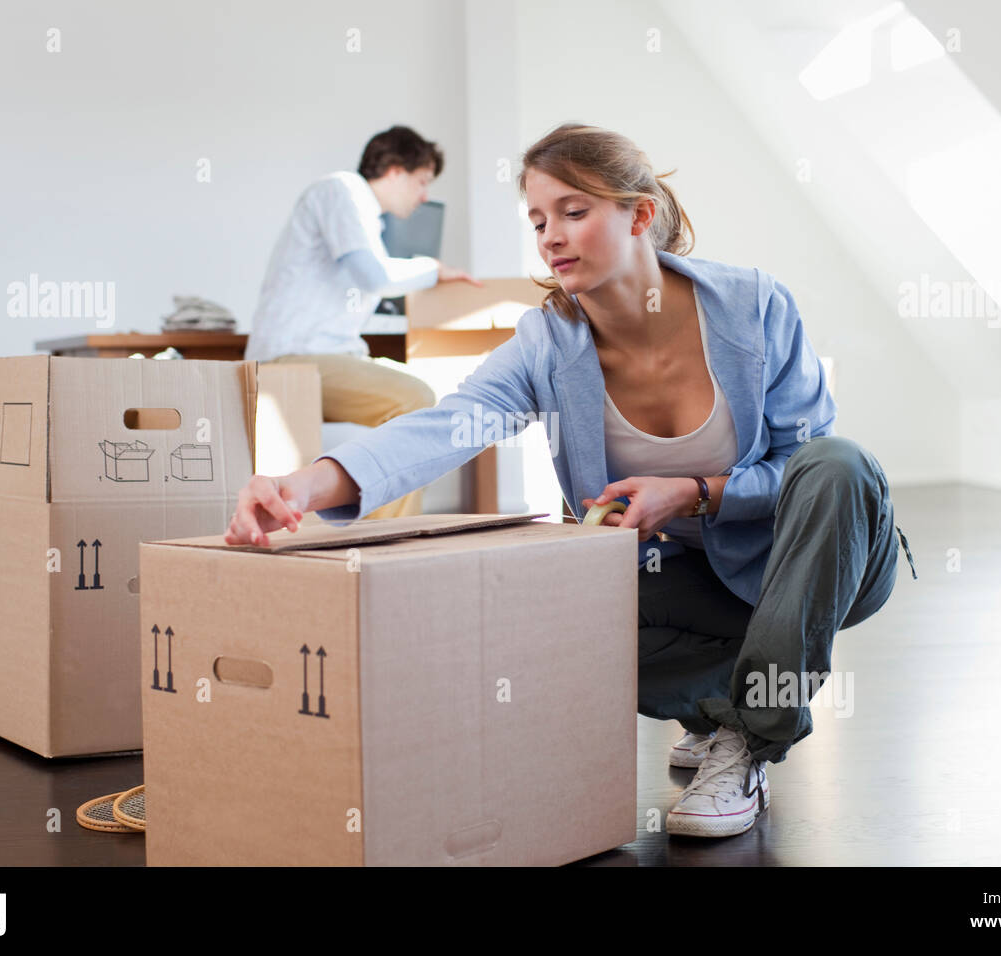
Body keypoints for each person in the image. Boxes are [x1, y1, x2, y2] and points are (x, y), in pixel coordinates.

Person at [226, 123, 918, 840]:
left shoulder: (753, 307)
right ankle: (718, 710)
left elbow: (803, 474)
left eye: (573, 212)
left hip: (809, 567)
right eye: (537, 220)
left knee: (838, 462)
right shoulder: (547, 345)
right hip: (689, 582)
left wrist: (697, 492)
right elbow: (445, 426)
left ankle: (748, 738)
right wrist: (300, 488)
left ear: (639, 215)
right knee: (546, 620)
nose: (550, 237)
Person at [245, 125, 482, 519]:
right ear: (393, 170)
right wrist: (432, 269)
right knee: (414, 400)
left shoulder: (365, 216)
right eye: (421, 181)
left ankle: (384, 538)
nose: (424, 196)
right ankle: (389, 542)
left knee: (421, 398)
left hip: (311, 358)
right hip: (291, 360)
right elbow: (375, 277)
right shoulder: (342, 190)